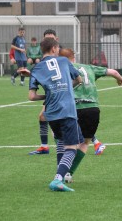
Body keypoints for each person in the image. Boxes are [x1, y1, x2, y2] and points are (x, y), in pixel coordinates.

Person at [28, 29, 106, 156]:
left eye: (51, 37)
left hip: (63, 90)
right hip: (55, 91)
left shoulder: (60, 54)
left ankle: (93, 142)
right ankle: (45, 146)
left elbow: (70, 71)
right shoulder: (48, 55)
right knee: (44, 116)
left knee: (71, 118)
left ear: (56, 39)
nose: (48, 39)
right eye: (46, 38)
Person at [59, 47, 122, 183]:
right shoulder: (89, 67)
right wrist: (119, 78)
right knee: (85, 143)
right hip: (92, 109)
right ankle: (69, 173)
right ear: (74, 57)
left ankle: (61, 171)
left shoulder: (63, 69)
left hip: (73, 108)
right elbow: (113, 71)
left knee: (68, 142)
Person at [28, 37, 83, 192]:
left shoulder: (36, 69)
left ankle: (60, 173)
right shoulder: (64, 61)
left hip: (51, 112)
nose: (59, 51)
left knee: (60, 140)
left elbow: (31, 96)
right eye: (58, 48)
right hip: (67, 110)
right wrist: (67, 90)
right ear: (53, 49)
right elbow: (78, 79)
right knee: (72, 147)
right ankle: (58, 179)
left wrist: (48, 95)